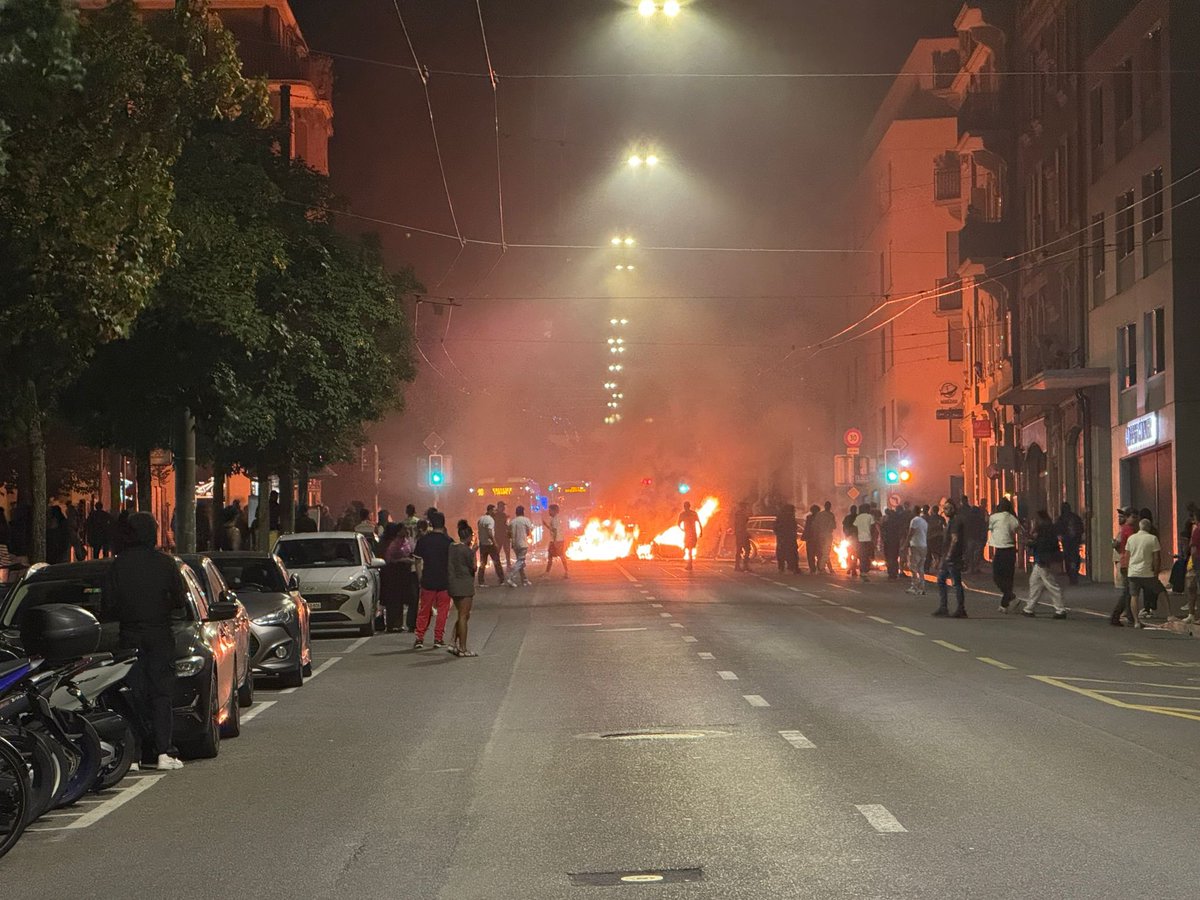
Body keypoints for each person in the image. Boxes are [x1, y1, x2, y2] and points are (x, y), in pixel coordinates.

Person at [103, 512, 186, 770]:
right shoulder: (165, 564)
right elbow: (180, 601)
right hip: (159, 634)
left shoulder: (118, 566)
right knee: (161, 694)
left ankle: (135, 754)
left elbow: (107, 605)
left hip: (129, 635)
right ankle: (163, 751)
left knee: (131, 694)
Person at [412, 511, 454, 649]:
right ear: (444, 524)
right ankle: (438, 638)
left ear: (430, 523)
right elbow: (452, 564)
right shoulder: (448, 542)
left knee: (424, 609)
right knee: (443, 610)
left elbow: (417, 561)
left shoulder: (423, 541)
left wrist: (420, 578)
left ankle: (419, 638)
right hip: (444, 581)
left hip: (428, 579)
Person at [1022, 510, 1068, 618]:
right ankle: (1029, 608)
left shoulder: (1044, 529)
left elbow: (1042, 543)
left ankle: (1060, 610)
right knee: (1035, 582)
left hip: (1043, 559)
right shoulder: (1048, 528)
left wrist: (1031, 543)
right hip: (1043, 559)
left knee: (1050, 584)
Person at [1126, 518, 1165, 629]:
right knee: (1161, 591)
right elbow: (1156, 557)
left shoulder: (1131, 538)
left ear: (1140, 527)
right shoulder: (1153, 538)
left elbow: (1127, 555)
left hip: (1133, 572)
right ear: (1149, 527)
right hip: (1148, 572)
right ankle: (1169, 615)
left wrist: (1129, 568)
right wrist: (1156, 570)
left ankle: (1136, 621)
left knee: (1134, 596)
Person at [448, 520, 479, 657]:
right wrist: (474, 552)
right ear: (469, 536)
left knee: (463, 614)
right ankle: (463, 648)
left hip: (453, 585)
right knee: (463, 616)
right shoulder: (467, 551)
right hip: (465, 585)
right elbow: (474, 568)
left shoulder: (452, 547)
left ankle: (453, 642)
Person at [933, 499, 968, 617]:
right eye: (944, 508)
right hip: (949, 556)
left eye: (947, 508)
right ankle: (944, 607)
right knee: (941, 580)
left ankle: (960, 609)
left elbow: (955, 539)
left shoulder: (955, 522)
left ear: (953, 509)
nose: (944, 511)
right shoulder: (952, 521)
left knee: (956, 583)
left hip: (952, 557)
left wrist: (949, 555)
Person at [988, 497, 1022, 612]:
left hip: (1000, 549)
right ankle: (1006, 602)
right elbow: (1018, 530)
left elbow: (990, 527)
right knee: (1008, 578)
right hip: (1011, 549)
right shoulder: (1013, 518)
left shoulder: (994, 517)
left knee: (997, 577)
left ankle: (1009, 598)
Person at [379, 523, 411, 632]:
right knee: (392, 600)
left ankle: (398, 623)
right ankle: (391, 624)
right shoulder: (393, 543)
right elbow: (388, 558)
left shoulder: (405, 541)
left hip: (403, 573)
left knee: (400, 599)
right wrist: (402, 560)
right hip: (392, 573)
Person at [1110, 509, 1139, 626]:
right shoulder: (1129, 530)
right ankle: (1119, 615)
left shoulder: (1124, 529)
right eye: (1133, 516)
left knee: (1128, 591)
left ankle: (1128, 615)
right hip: (1128, 562)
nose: (1135, 519)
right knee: (1128, 591)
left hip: (1125, 561)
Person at [1055, 502, 1084, 584]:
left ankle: (1071, 574)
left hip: (1067, 541)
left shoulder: (1061, 519)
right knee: (1075, 557)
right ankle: (1074, 572)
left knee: (1068, 557)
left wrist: (1061, 536)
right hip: (1074, 541)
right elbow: (1081, 528)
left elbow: (1057, 529)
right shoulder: (1075, 517)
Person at [505, 505, 534, 587]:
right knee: (520, 561)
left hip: (515, 544)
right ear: (523, 512)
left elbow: (508, 534)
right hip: (523, 543)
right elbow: (530, 530)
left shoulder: (512, 521)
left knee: (520, 561)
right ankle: (510, 577)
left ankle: (524, 580)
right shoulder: (526, 520)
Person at [902, 505, 929, 595]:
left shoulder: (914, 521)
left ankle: (914, 586)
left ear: (914, 512)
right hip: (923, 545)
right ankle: (922, 587)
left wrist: (905, 545)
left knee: (913, 566)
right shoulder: (924, 522)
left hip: (916, 545)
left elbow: (911, 533)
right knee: (921, 567)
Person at [477, 504, 505, 585]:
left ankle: (480, 581)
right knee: (496, 562)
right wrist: (495, 542)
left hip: (482, 544)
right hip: (490, 544)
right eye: (494, 510)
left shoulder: (481, 519)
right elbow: (490, 532)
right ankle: (501, 579)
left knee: (483, 563)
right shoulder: (490, 520)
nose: (495, 512)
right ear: (489, 510)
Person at [542, 504, 570, 579]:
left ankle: (548, 574)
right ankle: (548, 573)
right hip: (558, 540)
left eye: (550, 510)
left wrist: (554, 541)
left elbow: (554, 531)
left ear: (554, 511)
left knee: (556, 556)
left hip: (556, 540)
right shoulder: (555, 518)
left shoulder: (554, 520)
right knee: (558, 556)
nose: (549, 512)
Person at [853, 504, 876, 581]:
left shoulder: (858, 517)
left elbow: (855, 527)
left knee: (862, 555)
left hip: (860, 539)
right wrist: (873, 537)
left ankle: (862, 570)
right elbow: (873, 527)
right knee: (867, 554)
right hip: (868, 539)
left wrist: (856, 537)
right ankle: (865, 569)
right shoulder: (870, 517)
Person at [678, 501, 703, 571]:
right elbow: (699, 523)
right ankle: (690, 564)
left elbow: (678, 524)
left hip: (688, 533)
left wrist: (682, 529)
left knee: (689, 548)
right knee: (690, 549)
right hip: (692, 533)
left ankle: (690, 564)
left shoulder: (683, 514)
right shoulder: (693, 513)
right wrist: (701, 531)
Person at [882, 507, 904, 580]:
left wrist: (883, 540)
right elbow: (900, 532)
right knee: (894, 557)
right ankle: (894, 572)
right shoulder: (897, 523)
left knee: (889, 558)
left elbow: (883, 532)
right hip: (895, 542)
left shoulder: (886, 523)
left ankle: (891, 572)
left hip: (888, 542)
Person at [818, 502, 837, 574]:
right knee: (826, 552)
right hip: (828, 535)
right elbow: (834, 526)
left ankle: (829, 568)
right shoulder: (831, 515)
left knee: (823, 551)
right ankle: (821, 568)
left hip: (820, 535)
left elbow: (816, 525)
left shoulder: (820, 514)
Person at [733, 500, 753, 572]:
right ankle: (739, 566)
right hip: (741, 534)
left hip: (742, 534)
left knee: (746, 549)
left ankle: (743, 565)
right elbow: (741, 525)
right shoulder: (740, 514)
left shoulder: (740, 514)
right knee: (742, 550)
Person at [843, 505, 860, 579]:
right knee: (855, 554)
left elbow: (844, 527)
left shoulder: (847, 518)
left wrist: (846, 535)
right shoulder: (858, 517)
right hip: (856, 538)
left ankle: (850, 568)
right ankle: (852, 569)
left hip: (850, 538)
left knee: (850, 554)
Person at [493, 501, 512, 569]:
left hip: (500, 535)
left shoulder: (495, 515)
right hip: (501, 535)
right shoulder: (500, 515)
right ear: (500, 507)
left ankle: (502, 565)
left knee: (502, 551)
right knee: (505, 551)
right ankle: (507, 565)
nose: (504, 508)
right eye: (503, 506)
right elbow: (503, 525)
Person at [804, 505, 820, 574]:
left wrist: (805, 536)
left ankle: (812, 568)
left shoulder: (809, 518)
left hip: (811, 538)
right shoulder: (821, 518)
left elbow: (807, 528)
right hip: (817, 538)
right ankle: (818, 567)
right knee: (818, 554)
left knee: (810, 554)